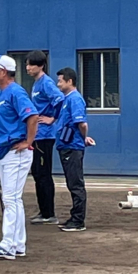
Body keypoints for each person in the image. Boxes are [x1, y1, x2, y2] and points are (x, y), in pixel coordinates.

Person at [0, 55, 38, 260]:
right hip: (7, 152)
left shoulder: (15, 92)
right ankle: (17, 244)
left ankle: (7, 244)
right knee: (14, 199)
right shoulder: (3, 93)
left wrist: (28, 142)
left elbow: (32, 116)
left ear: (4, 71)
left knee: (10, 199)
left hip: (16, 151)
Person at [26, 51, 64, 225]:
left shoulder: (46, 83)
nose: (27, 67)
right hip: (38, 134)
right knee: (37, 173)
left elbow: (60, 99)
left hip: (44, 135)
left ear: (40, 66)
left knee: (43, 174)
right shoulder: (37, 84)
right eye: (27, 64)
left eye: (31, 64)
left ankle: (49, 213)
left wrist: (52, 118)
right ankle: (44, 211)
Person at [55, 67, 95, 232]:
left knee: (76, 183)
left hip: (72, 147)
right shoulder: (68, 99)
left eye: (60, 81)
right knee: (72, 183)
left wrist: (82, 137)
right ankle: (75, 217)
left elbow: (82, 123)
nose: (58, 84)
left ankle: (78, 220)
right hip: (67, 146)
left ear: (69, 81)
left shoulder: (74, 99)